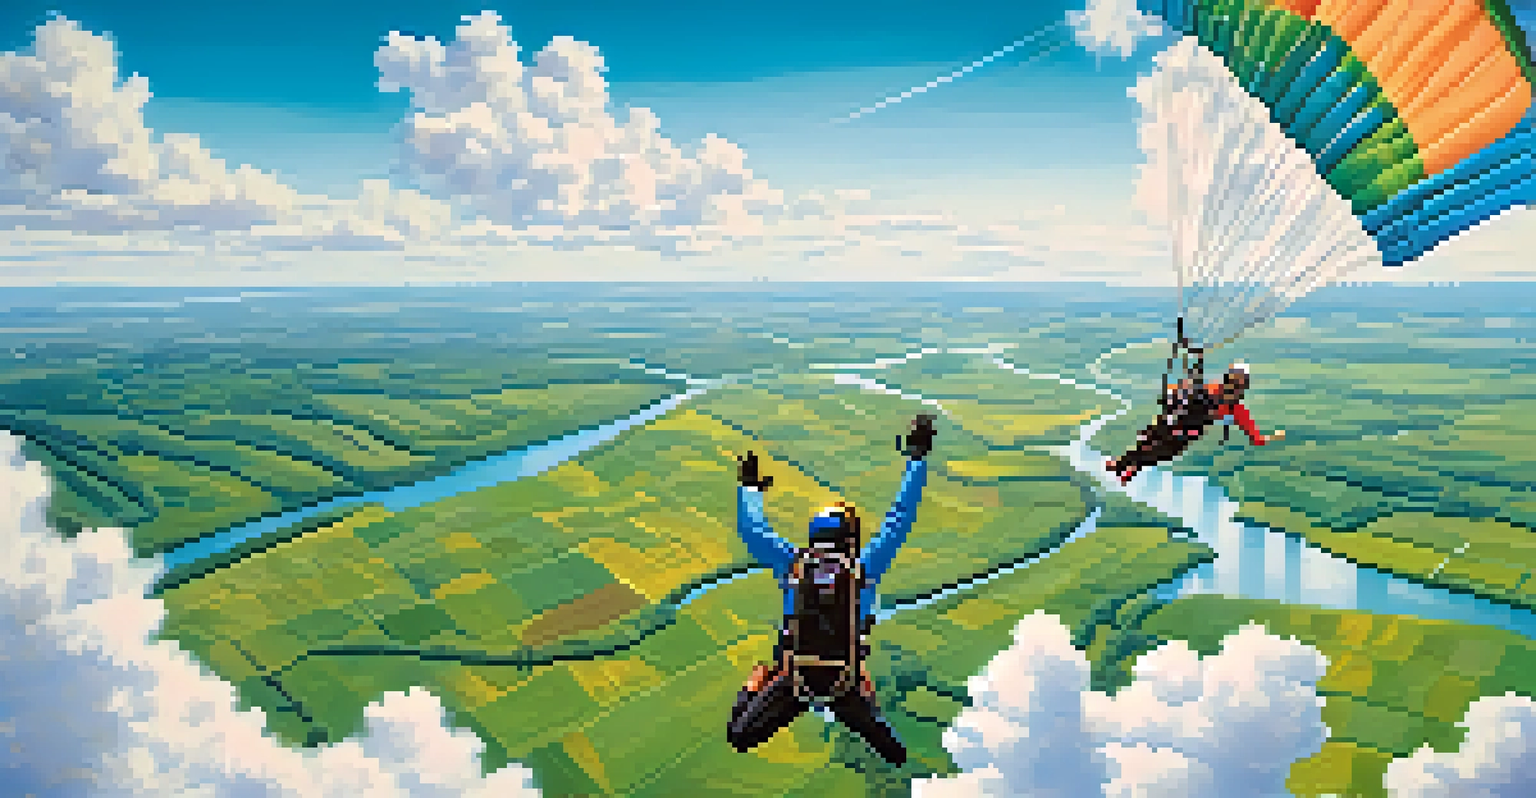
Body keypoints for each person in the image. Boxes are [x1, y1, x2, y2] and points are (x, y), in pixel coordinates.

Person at [725, 414, 936, 767]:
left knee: (739, 735)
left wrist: (749, 489)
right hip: (844, 683)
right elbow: (900, 518)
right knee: (895, 755)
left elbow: (753, 530)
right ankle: (865, 694)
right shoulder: (863, 568)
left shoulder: (794, 564)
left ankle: (755, 682)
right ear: (850, 538)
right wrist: (917, 458)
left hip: (794, 679)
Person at [1106, 361, 1283, 484]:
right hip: (1180, 420)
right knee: (1153, 441)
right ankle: (1125, 466)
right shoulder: (1215, 393)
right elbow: (1184, 391)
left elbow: (1256, 439)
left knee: (1159, 448)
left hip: (1186, 428)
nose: (1234, 388)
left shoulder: (1234, 407)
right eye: (1233, 383)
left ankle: (1128, 467)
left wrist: (1273, 437)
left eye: (1238, 385)